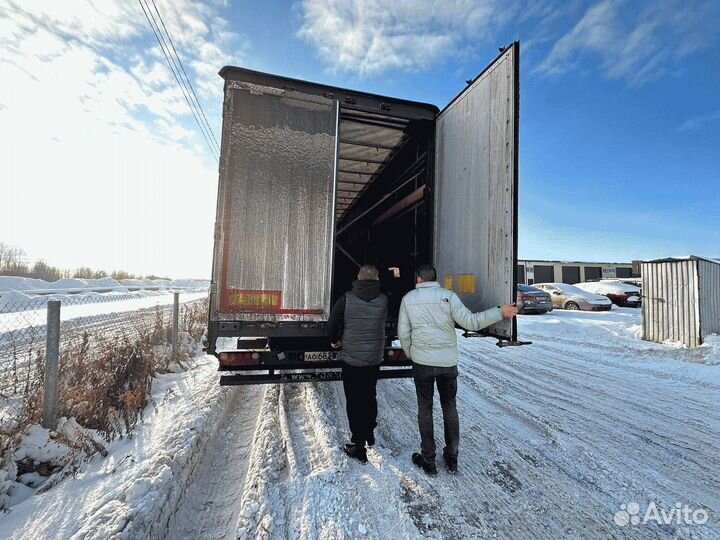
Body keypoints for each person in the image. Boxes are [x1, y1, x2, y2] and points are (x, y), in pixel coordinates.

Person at [398, 264, 517, 475]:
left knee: (425, 409)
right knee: (449, 406)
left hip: (423, 363)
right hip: (447, 363)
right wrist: (500, 311)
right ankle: (452, 458)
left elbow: (403, 332)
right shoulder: (449, 296)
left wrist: (411, 352)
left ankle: (429, 460)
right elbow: (471, 322)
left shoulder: (408, 299)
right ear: (436, 278)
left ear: (418, 279)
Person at [327, 264, 388, 463]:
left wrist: (335, 341)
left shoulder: (346, 299)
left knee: (354, 400)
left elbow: (332, 325)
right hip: (373, 358)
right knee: (370, 395)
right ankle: (369, 433)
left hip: (351, 358)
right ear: (377, 280)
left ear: (357, 278)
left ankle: (358, 446)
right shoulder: (384, 300)